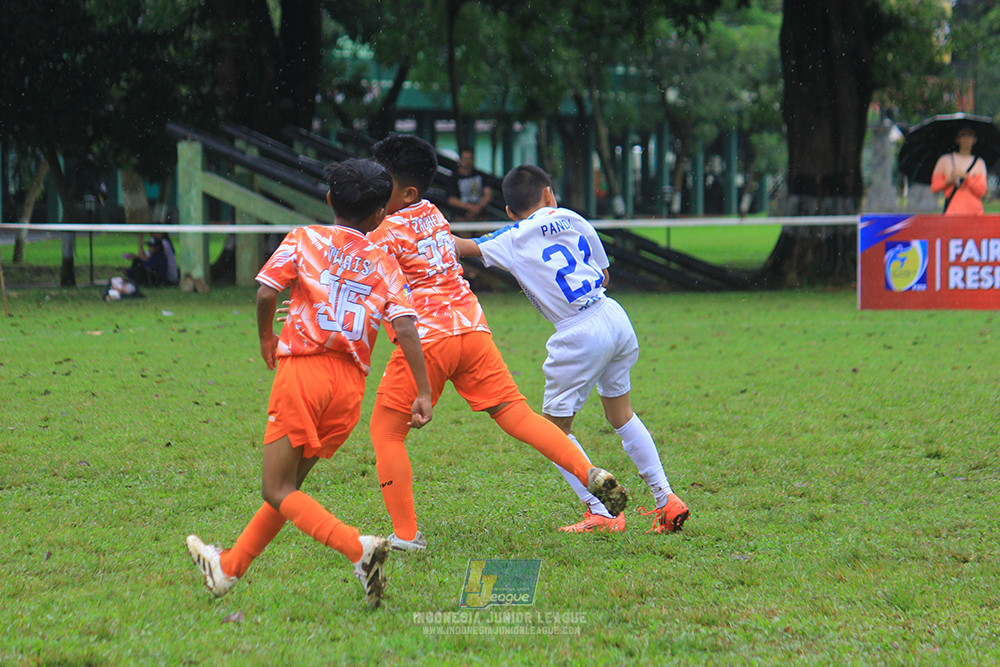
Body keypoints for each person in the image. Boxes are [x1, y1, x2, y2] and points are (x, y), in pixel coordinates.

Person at [185, 159, 433, 608]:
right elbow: (407, 325)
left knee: (275, 489)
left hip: (304, 371)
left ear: (328, 199)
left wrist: (267, 338)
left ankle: (357, 548)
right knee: (288, 490)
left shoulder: (306, 238)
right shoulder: (384, 261)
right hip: (349, 386)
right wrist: (423, 389)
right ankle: (228, 570)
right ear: (381, 214)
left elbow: (265, 291)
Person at [366, 134, 628, 552]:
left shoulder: (381, 230)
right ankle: (589, 472)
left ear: (406, 190)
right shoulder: (433, 214)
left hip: (428, 338)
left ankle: (406, 535)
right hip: (473, 328)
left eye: (382, 182)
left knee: (386, 433)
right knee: (516, 415)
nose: (374, 189)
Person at [452, 165, 689, 535]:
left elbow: (460, 247)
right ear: (549, 194)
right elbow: (604, 275)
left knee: (554, 430)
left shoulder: (511, 235)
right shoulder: (571, 217)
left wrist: (418, 229)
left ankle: (602, 513)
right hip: (613, 315)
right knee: (622, 414)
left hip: (577, 333)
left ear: (511, 212)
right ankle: (667, 499)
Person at [930, 125, 988, 215]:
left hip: (975, 213)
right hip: (952, 212)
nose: (966, 138)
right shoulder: (945, 160)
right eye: (963, 135)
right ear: (957, 139)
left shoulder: (980, 163)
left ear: (975, 140)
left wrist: (967, 178)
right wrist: (949, 180)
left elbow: (981, 191)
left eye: (970, 135)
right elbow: (934, 187)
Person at [445, 148, 495, 221]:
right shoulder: (453, 178)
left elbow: (488, 194)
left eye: (470, 158)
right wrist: (471, 207)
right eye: (465, 158)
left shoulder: (481, 176)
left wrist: (478, 208)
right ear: (460, 160)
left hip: (480, 215)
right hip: (460, 216)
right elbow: (451, 200)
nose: (467, 161)